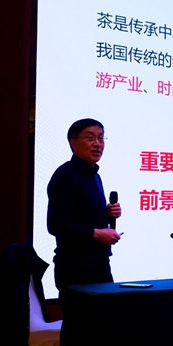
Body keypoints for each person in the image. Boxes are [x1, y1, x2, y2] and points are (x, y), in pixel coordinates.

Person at [47, 118, 121, 309]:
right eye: (90, 138)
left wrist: (107, 214)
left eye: (101, 138)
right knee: (81, 325)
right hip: (76, 268)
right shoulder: (65, 175)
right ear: (73, 142)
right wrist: (96, 233)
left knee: (105, 322)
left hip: (99, 264)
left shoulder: (95, 175)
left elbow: (81, 215)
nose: (97, 144)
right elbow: (55, 223)